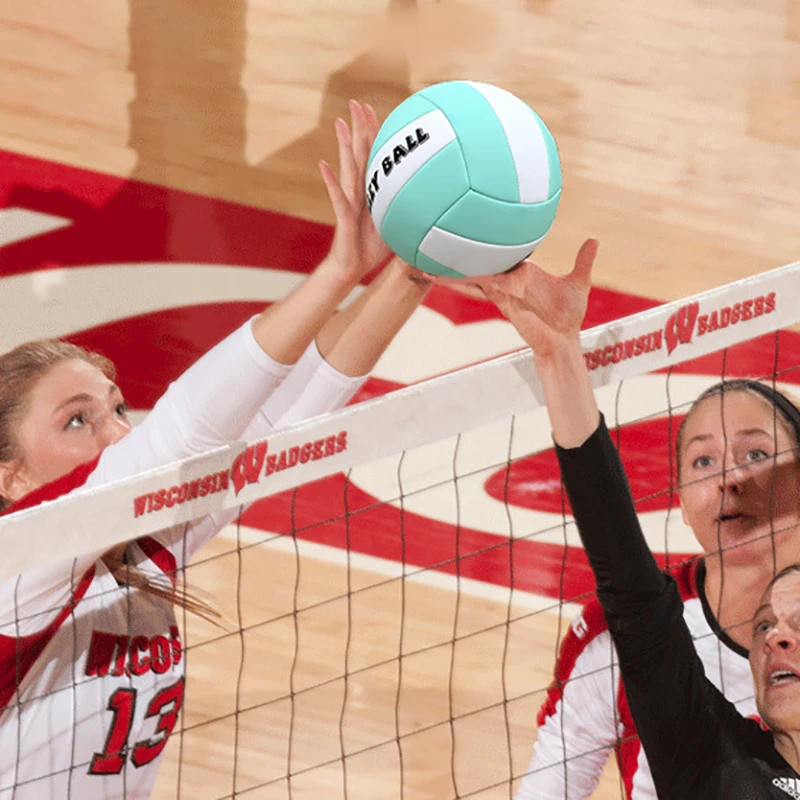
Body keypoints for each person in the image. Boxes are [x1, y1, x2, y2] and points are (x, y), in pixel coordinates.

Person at [0, 101, 433, 800]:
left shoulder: (147, 550)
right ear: (10, 475)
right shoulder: (10, 572)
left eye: (115, 409)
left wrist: (413, 270)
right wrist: (335, 270)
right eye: (76, 422)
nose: (115, 434)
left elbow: (286, 417)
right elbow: (182, 432)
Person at [482, 240, 800, 798]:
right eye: (703, 460)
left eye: (756, 454)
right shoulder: (709, 745)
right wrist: (560, 354)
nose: (732, 479)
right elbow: (624, 571)